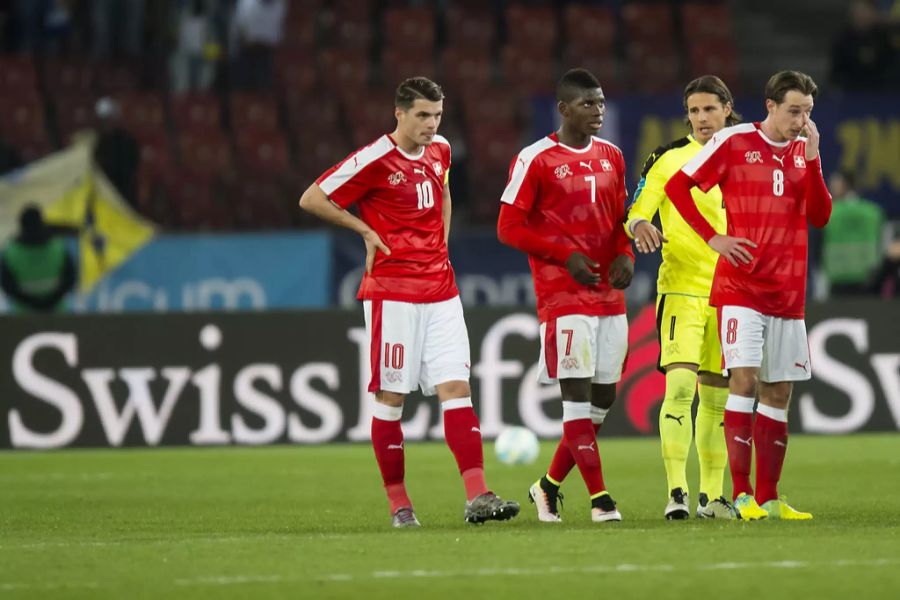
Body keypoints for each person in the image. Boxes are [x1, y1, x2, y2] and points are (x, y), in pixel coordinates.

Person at [299, 77, 519, 528]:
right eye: (422, 115)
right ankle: (400, 504)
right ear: (398, 113)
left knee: (457, 389)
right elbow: (312, 198)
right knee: (391, 397)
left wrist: (441, 244)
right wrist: (363, 230)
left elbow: (445, 193)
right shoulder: (375, 159)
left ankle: (478, 495)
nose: (431, 124)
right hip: (393, 293)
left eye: (437, 115)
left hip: (442, 289)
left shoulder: (441, 150)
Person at [665, 70, 832, 520]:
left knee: (779, 393)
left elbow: (819, 216)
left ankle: (771, 498)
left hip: (788, 290)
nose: (801, 121)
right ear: (771, 106)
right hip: (741, 287)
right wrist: (713, 237)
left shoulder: (804, 151)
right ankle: (740, 495)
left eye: (808, 113)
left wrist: (814, 160)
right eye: (794, 111)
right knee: (744, 381)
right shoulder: (734, 141)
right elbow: (677, 187)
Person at [497, 68, 633, 524]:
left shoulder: (612, 155)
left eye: (600, 103)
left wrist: (627, 255)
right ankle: (601, 500)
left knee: (603, 400)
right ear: (564, 108)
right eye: (588, 104)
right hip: (562, 295)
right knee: (575, 400)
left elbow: (620, 220)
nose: (598, 111)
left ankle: (547, 487)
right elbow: (508, 226)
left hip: (607, 296)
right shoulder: (535, 158)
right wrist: (562, 254)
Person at [625, 75, 739, 520]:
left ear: (727, 108)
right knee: (678, 389)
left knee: (716, 401)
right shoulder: (668, 158)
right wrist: (638, 225)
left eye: (709, 108)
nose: (702, 118)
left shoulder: (744, 154)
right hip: (682, 288)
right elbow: (638, 207)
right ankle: (677, 492)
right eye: (694, 111)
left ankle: (711, 498)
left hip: (732, 294)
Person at [0, 205, 76, 313]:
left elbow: (7, 286)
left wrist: (32, 303)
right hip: (56, 313)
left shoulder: (11, 252)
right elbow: (70, 279)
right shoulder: (58, 247)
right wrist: (50, 302)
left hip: (22, 316)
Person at [822, 170, 886, 295]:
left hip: (837, 280)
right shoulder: (875, 212)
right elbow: (882, 246)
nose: (830, 188)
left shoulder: (829, 213)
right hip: (868, 280)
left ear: (845, 185)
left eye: (834, 184)